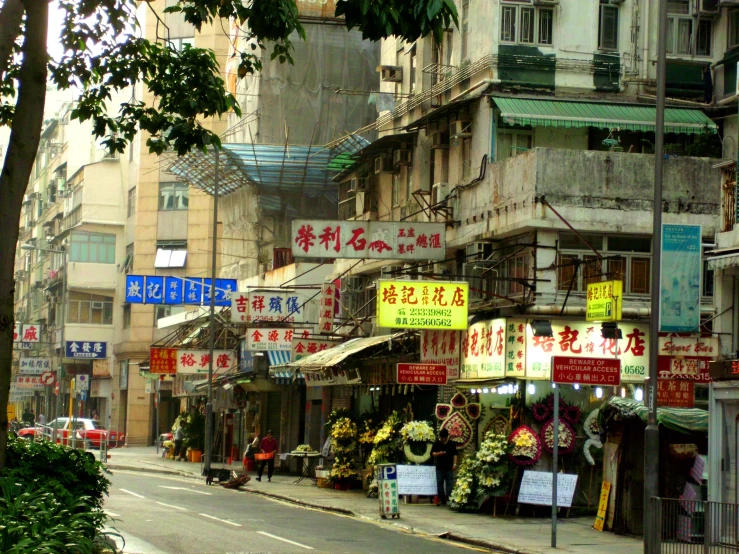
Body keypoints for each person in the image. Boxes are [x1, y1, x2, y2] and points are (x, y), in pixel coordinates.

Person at [431, 429, 458, 506]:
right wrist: (439, 453)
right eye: (441, 438)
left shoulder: (451, 444)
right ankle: (441, 498)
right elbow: (432, 453)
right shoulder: (437, 444)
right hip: (440, 467)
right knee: (439, 483)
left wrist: (455, 464)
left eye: (444, 438)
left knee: (450, 483)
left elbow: (455, 455)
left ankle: (449, 498)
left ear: (447, 437)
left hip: (449, 467)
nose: (443, 439)